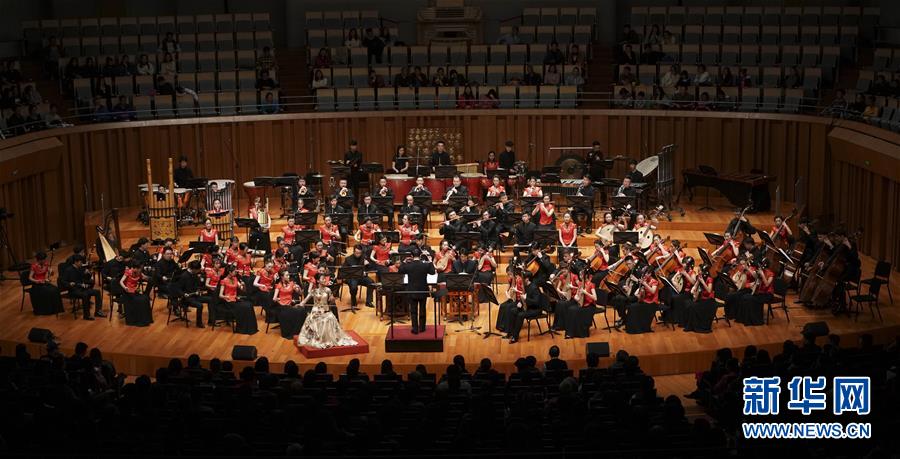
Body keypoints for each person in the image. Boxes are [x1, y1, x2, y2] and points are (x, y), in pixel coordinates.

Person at [297, 273, 356, 348]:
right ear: (318, 281)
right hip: (316, 313)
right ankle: (319, 339)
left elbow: (331, 301)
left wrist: (332, 299)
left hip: (326, 311)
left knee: (330, 317)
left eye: (325, 278)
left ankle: (329, 339)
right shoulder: (314, 291)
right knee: (315, 319)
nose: (325, 280)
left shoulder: (328, 290)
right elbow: (304, 301)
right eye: (323, 279)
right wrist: (300, 304)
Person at [400, 251, 437, 334]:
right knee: (422, 309)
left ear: (411, 256)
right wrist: (430, 261)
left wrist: (404, 262)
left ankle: (415, 329)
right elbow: (432, 272)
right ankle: (422, 328)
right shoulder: (425, 265)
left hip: (412, 290)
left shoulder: (408, 265)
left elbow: (400, 271)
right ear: (420, 256)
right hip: (423, 290)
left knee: (413, 310)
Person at [60, 255, 104, 320]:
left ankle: (98, 311)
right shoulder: (68, 270)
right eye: (80, 262)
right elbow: (63, 281)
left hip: (82, 288)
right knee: (85, 294)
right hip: (73, 290)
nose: (82, 264)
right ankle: (86, 316)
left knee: (97, 292)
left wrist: (88, 273)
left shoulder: (80, 268)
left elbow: (86, 278)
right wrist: (69, 284)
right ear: (76, 262)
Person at [172, 260, 210, 327]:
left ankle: (211, 320)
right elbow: (178, 289)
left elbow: (197, 285)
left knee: (210, 299)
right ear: (194, 269)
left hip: (195, 296)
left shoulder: (194, 274)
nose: (199, 271)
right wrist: (184, 294)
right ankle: (199, 323)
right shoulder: (184, 276)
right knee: (200, 305)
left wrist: (199, 290)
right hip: (187, 298)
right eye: (198, 270)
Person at [119, 260, 152, 326]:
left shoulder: (139, 272)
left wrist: (149, 278)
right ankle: (137, 320)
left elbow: (146, 278)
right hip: (127, 292)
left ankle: (146, 319)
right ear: (135, 268)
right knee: (140, 300)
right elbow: (121, 281)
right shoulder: (128, 272)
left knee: (145, 298)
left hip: (134, 291)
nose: (141, 269)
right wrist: (125, 287)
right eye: (140, 268)